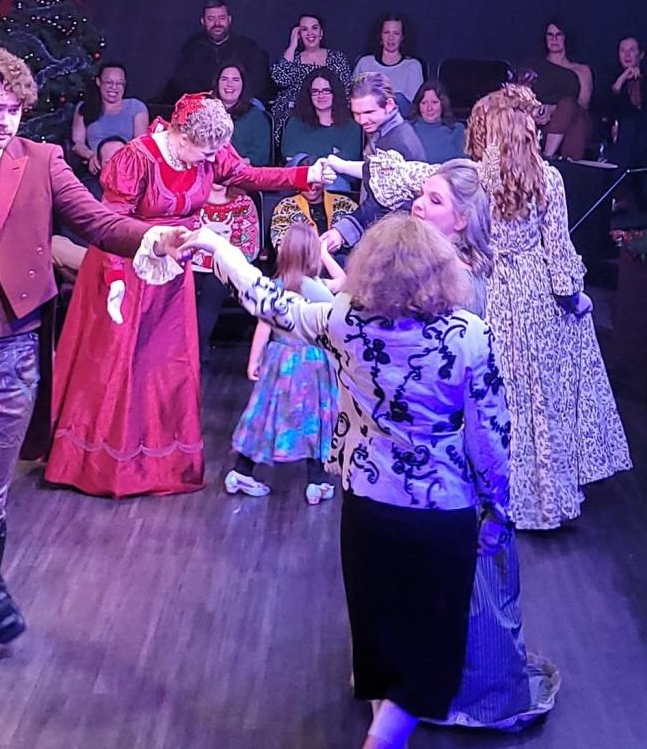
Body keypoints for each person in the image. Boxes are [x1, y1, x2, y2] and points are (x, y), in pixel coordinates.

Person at [0, 45, 189, 718]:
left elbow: (97, 221)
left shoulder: (41, 163)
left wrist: (156, 236)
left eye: (17, 110)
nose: (8, 121)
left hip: (4, 360)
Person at [181, 214, 512, 749]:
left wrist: (219, 244)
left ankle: (387, 731)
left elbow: (266, 298)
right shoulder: (470, 336)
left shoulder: (343, 321)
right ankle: (384, 738)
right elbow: (491, 435)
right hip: (442, 512)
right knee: (430, 633)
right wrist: (499, 510)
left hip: (368, 504)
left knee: (377, 626)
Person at [346, 84, 631, 529]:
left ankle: (488, 495)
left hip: (481, 290)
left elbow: (401, 178)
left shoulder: (473, 178)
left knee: (487, 399)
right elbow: (559, 254)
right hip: (536, 301)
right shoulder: (547, 178)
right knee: (537, 403)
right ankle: (540, 500)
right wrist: (576, 296)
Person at [46, 94, 334, 498]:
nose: (211, 161)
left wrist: (304, 176)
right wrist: (114, 282)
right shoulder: (137, 157)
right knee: (120, 364)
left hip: (172, 271)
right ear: (179, 135)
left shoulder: (211, 150)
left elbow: (249, 176)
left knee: (165, 363)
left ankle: (161, 461)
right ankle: (107, 466)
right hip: (126, 269)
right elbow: (109, 225)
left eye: (216, 153)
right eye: (204, 153)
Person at [410, 158, 561, 730]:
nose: (420, 206)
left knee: (470, 578)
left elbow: (466, 393)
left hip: (459, 453)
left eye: (435, 200)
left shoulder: (463, 283)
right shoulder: (439, 264)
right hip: (440, 450)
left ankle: (466, 691)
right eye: (421, 196)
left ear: (463, 219)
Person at [223, 224, 345, 504]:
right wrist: (325, 253)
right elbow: (344, 282)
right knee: (317, 419)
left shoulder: (275, 287)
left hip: (279, 359)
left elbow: (264, 325)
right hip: (311, 362)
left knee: (265, 413)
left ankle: (242, 471)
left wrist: (254, 360)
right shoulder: (317, 288)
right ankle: (317, 480)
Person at [320, 72, 426, 253]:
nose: (362, 120)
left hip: (396, 244)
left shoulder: (398, 143)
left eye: (369, 112)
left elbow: (380, 204)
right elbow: (377, 171)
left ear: (389, 105)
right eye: (356, 113)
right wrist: (342, 166)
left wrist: (341, 232)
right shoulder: (387, 133)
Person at [190, 179, 260, 364]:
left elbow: (249, 247)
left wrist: (220, 260)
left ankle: (195, 354)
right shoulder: (191, 200)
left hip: (225, 267)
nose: (218, 178)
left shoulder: (243, 204)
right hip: (189, 264)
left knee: (212, 292)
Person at [52, 135, 128, 281]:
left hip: (134, 258)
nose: (117, 167)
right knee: (56, 245)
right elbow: (73, 234)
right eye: (109, 162)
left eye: (122, 160)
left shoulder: (148, 189)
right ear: (98, 164)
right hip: (94, 258)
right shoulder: (84, 192)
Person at [170, 0, 271, 101]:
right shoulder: (191, 48)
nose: (217, 23)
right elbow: (182, 83)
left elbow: (258, 82)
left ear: (229, 19)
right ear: (202, 21)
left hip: (241, 104)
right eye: (211, 18)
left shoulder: (248, 47)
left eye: (222, 18)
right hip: (202, 105)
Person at [271, 13, 352, 141]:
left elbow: (346, 90)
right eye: (304, 29)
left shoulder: (336, 58)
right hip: (296, 117)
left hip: (330, 116)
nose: (310, 33)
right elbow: (280, 79)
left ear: (321, 33)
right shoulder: (293, 57)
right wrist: (292, 45)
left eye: (314, 28)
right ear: (299, 35)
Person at [521, 19, 593, 159]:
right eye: (550, 35)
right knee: (577, 124)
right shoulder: (533, 65)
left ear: (566, 38)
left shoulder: (581, 70)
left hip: (569, 114)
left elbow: (583, 105)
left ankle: (548, 158)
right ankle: (560, 167)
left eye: (558, 35)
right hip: (538, 117)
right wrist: (537, 110)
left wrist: (554, 109)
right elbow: (521, 96)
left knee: (572, 110)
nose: (554, 39)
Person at [281, 68, 362, 181]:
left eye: (326, 90)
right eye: (315, 91)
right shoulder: (296, 122)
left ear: (335, 93)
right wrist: (330, 154)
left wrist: (311, 157)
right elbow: (290, 156)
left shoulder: (351, 126)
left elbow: (350, 159)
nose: (321, 95)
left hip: (336, 179)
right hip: (303, 178)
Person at [70, 62, 148, 174]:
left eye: (119, 83)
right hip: (97, 169)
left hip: (126, 170)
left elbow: (140, 144)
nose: (114, 87)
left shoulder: (136, 107)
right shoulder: (85, 107)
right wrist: (91, 155)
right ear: (98, 82)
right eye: (109, 82)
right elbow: (77, 143)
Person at [352, 13, 425, 109]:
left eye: (396, 33)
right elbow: (354, 96)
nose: (391, 38)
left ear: (402, 37)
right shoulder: (364, 63)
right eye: (386, 33)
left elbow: (413, 106)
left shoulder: (413, 66)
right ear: (380, 36)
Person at [269, 176, 358, 250]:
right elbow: (281, 246)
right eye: (306, 181)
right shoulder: (285, 206)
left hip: (343, 263)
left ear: (323, 181)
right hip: (302, 264)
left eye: (316, 181)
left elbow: (362, 234)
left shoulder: (344, 203)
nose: (311, 187)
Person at [213, 62, 272, 165]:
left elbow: (261, 155)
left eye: (235, 80)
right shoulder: (205, 113)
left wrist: (238, 164)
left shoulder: (256, 117)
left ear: (243, 84)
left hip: (244, 172)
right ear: (217, 83)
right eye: (224, 79)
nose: (229, 84)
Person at [604, 35, 647, 171]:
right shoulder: (611, 77)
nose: (627, 55)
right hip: (622, 132)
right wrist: (621, 81)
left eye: (631, 50)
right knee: (628, 126)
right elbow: (605, 111)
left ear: (641, 54)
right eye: (622, 50)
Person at [409, 81, 466, 164]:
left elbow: (464, 164)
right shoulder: (408, 129)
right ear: (418, 106)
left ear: (443, 104)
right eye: (424, 103)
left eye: (434, 102)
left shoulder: (457, 129)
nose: (429, 108)